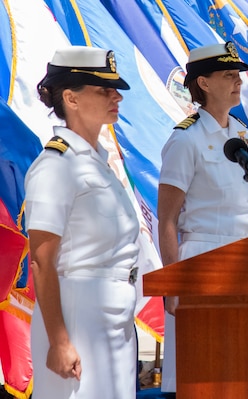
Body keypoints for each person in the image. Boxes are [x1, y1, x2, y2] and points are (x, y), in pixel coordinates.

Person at [26, 46, 139, 399]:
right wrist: (60, 341)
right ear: (71, 99)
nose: (116, 96)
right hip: (78, 313)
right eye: (104, 89)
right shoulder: (56, 165)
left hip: (113, 316)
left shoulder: (99, 163)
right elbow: (42, 260)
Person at [157, 41, 248, 394]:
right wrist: (172, 284)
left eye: (238, 74)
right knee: (200, 371)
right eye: (229, 75)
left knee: (240, 369)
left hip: (244, 258)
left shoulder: (243, 137)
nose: (238, 81)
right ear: (203, 83)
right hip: (201, 258)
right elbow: (167, 220)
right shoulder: (186, 140)